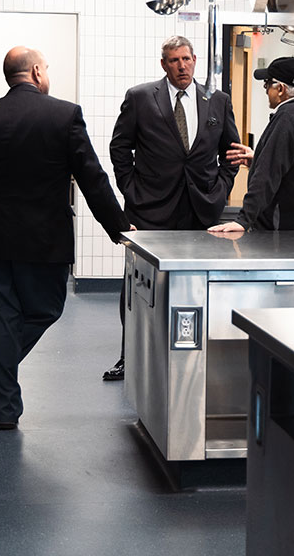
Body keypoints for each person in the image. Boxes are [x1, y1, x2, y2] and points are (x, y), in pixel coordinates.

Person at [0, 46, 131, 430]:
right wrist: (119, 227)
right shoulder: (64, 114)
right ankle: (3, 407)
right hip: (43, 236)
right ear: (34, 71)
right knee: (45, 310)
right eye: (46, 68)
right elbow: (91, 177)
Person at [103, 35, 240, 381]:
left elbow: (232, 152)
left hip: (200, 208)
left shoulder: (217, 101)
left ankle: (191, 356)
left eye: (187, 59)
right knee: (139, 285)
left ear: (195, 60)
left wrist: (221, 189)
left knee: (195, 285)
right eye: (174, 60)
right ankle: (129, 355)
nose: (182, 66)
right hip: (150, 208)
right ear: (163, 64)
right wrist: (131, 190)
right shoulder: (140, 98)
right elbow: (120, 149)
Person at [208, 56, 294, 233]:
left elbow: (267, 175)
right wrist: (259, 158)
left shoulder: (287, 117)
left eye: (267, 84)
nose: (266, 90)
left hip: (287, 230)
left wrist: (244, 220)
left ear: (281, 89)